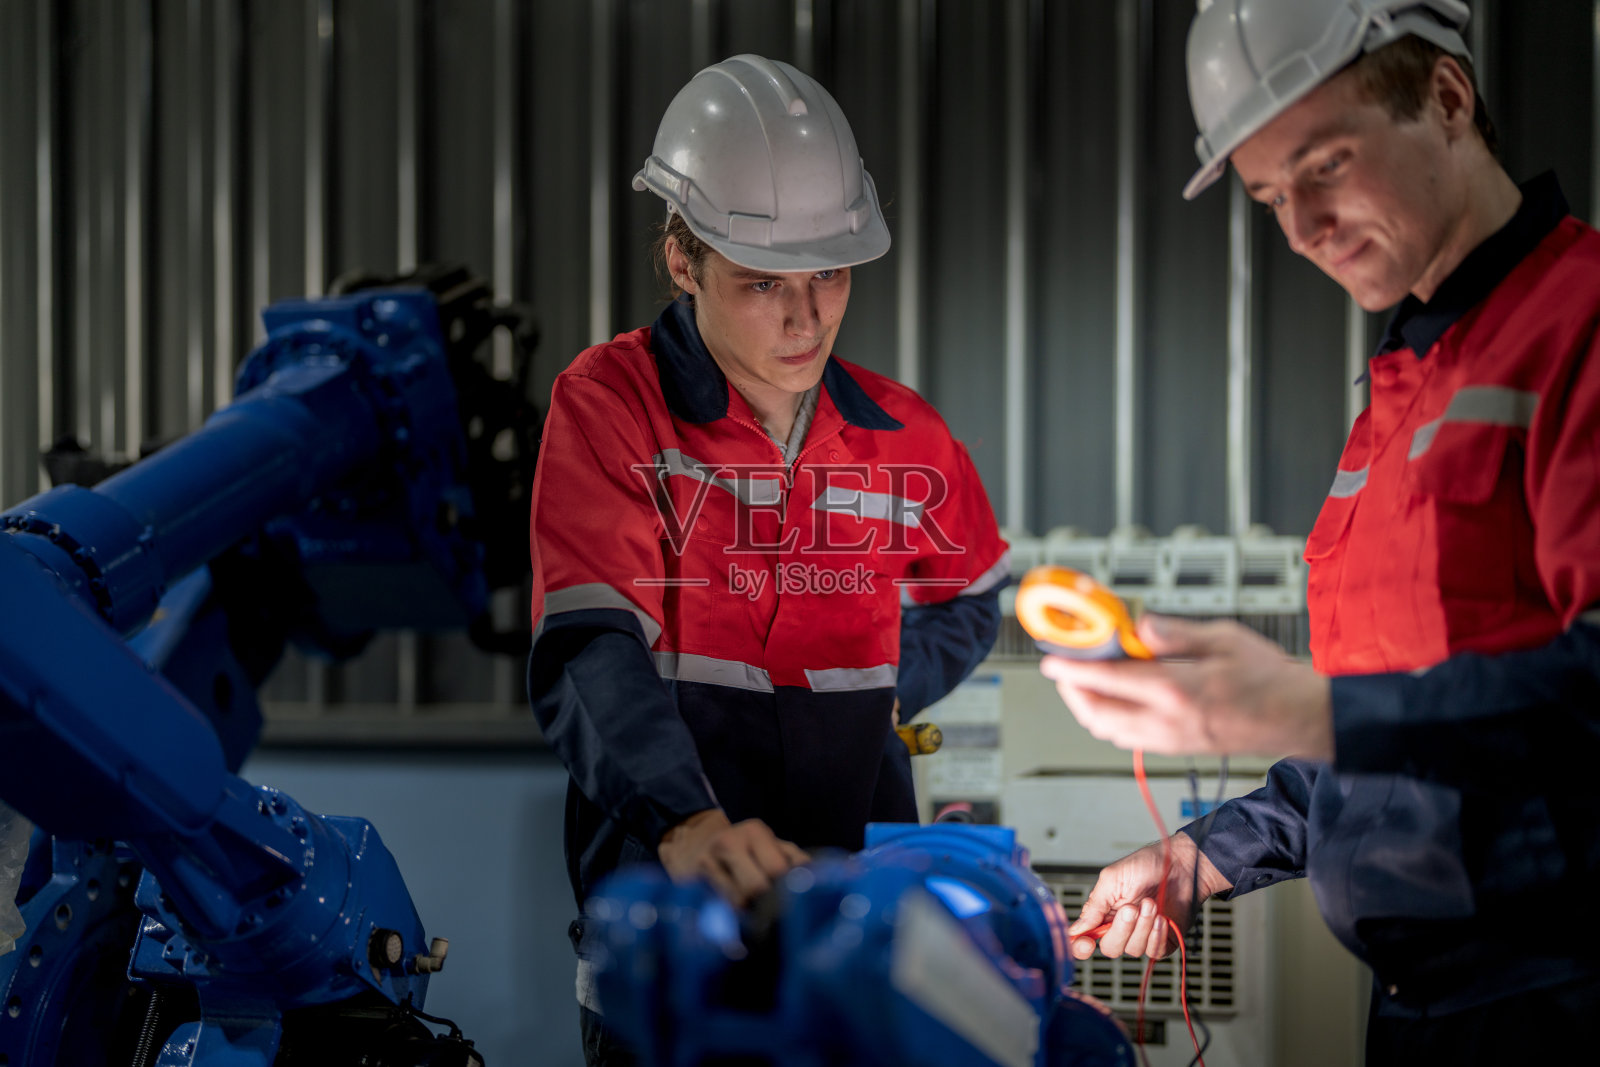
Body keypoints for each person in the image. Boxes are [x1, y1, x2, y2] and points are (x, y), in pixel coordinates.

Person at [1040, 1, 1600, 1061]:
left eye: (1325, 167)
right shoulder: (1398, 392)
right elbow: (1387, 742)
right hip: (1417, 1008)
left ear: (1446, 98)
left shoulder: (1579, 326)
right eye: (1267, 195)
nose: (1298, 227)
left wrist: (1300, 702)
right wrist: (1196, 856)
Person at [526, 54, 1009, 1067]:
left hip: (855, 939)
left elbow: (970, 597)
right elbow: (588, 643)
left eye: (829, 275)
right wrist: (685, 820)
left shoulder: (901, 432)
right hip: (676, 931)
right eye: (762, 285)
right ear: (681, 261)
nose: (807, 319)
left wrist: (888, 688)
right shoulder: (611, 405)